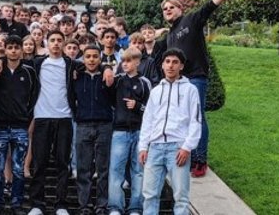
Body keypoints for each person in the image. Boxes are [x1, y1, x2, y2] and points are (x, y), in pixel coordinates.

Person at [159, 0, 237, 177]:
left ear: (180, 8)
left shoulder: (191, 20)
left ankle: (200, 160)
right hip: (179, 82)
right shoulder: (171, 34)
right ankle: (190, 157)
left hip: (196, 78)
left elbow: (211, 5)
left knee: (197, 117)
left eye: (171, 7)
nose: (167, 10)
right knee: (184, 120)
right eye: (164, 9)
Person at [139, 49, 201, 215]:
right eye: (167, 62)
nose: (170, 65)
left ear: (181, 66)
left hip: (178, 148)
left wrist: (187, 147)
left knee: (181, 195)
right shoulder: (156, 91)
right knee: (149, 194)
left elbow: (196, 121)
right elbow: (148, 120)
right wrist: (143, 146)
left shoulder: (190, 90)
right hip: (155, 147)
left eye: (175, 62)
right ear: (162, 65)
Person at [27, 30, 84, 215]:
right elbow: (14, 62)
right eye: (52, 40)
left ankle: (61, 204)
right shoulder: (37, 63)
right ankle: (37, 204)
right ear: (47, 42)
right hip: (42, 117)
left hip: (65, 118)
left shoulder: (72, 65)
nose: (56, 43)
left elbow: (93, 65)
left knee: (62, 163)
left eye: (60, 40)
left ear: (64, 43)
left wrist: (107, 68)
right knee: (39, 162)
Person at [0, 35, 38, 215]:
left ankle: (17, 203)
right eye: (10, 47)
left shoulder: (29, 71)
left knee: (18, 168)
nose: (14, 50)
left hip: (20, 126)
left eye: (17, 47)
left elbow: (35, 96)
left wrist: (27, 118)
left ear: (22, 50)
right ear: (5, 49)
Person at [71, 45, 115, 215]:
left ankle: (101, 205)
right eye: (87, 56)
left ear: (100, 58)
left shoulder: (108, 77)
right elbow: (71, 97)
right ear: (83, 58)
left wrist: (107, 68)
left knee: (103, 169)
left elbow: (113, 99)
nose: (91, 59)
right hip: (83, 125)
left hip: (104, 125)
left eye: (95, 56)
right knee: (83, 168)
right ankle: (85, 205)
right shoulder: (76, 77)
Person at [107, 48, 152, 215]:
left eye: (128, 61)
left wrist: (138, 106)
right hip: (119, 131)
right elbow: (107, 98)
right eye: (123, 61)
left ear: (137, 62)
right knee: (116, 170)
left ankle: (135, 207)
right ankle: (115, 207)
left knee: (138, 171)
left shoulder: (145, 82)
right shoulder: (117, 80)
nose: (125, 64)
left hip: (140, 132)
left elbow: (152, 110)